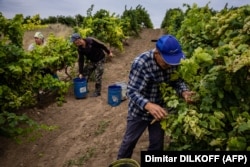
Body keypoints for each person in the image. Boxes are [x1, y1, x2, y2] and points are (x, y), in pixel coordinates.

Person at [117, 35, 194, 159]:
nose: (170, 65)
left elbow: (177, 81)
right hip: (139, 110)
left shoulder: (174, 61)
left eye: (172, 62)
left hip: (160, 110)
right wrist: (148, 105)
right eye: (166, 62)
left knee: (157, 144)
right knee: (129, 141)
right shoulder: (141, 63)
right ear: (157, 53)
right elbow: (131, 91)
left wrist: (184, 91)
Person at [70, 33, 112, 97]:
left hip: (100, 59)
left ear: (79, 39)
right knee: (84, 73)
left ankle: (97, 92)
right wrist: (80, 72)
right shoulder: (80, 48)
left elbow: (102, 45)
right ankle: (84, 88)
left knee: (98, 75)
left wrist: (109, 52)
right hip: (92, 61)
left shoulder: (91, 41)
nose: (74, 43)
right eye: (73, 42)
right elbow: (81, 60)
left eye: (74, 41)